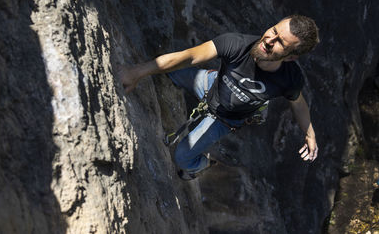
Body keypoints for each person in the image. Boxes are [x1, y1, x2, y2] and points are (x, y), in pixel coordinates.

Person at [119, 14, 320, 180]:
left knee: (182, 158)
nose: (269, 40)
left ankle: (203, 164)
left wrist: (310, 134)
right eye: (274, 31)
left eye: (280, 43)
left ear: (291, 57)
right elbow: (188, 56)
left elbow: (298, 103)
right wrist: (135, 73)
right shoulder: (236, 43)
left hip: (225, 119)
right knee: (169, 70)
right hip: (210, 85)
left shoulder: (290, 80)